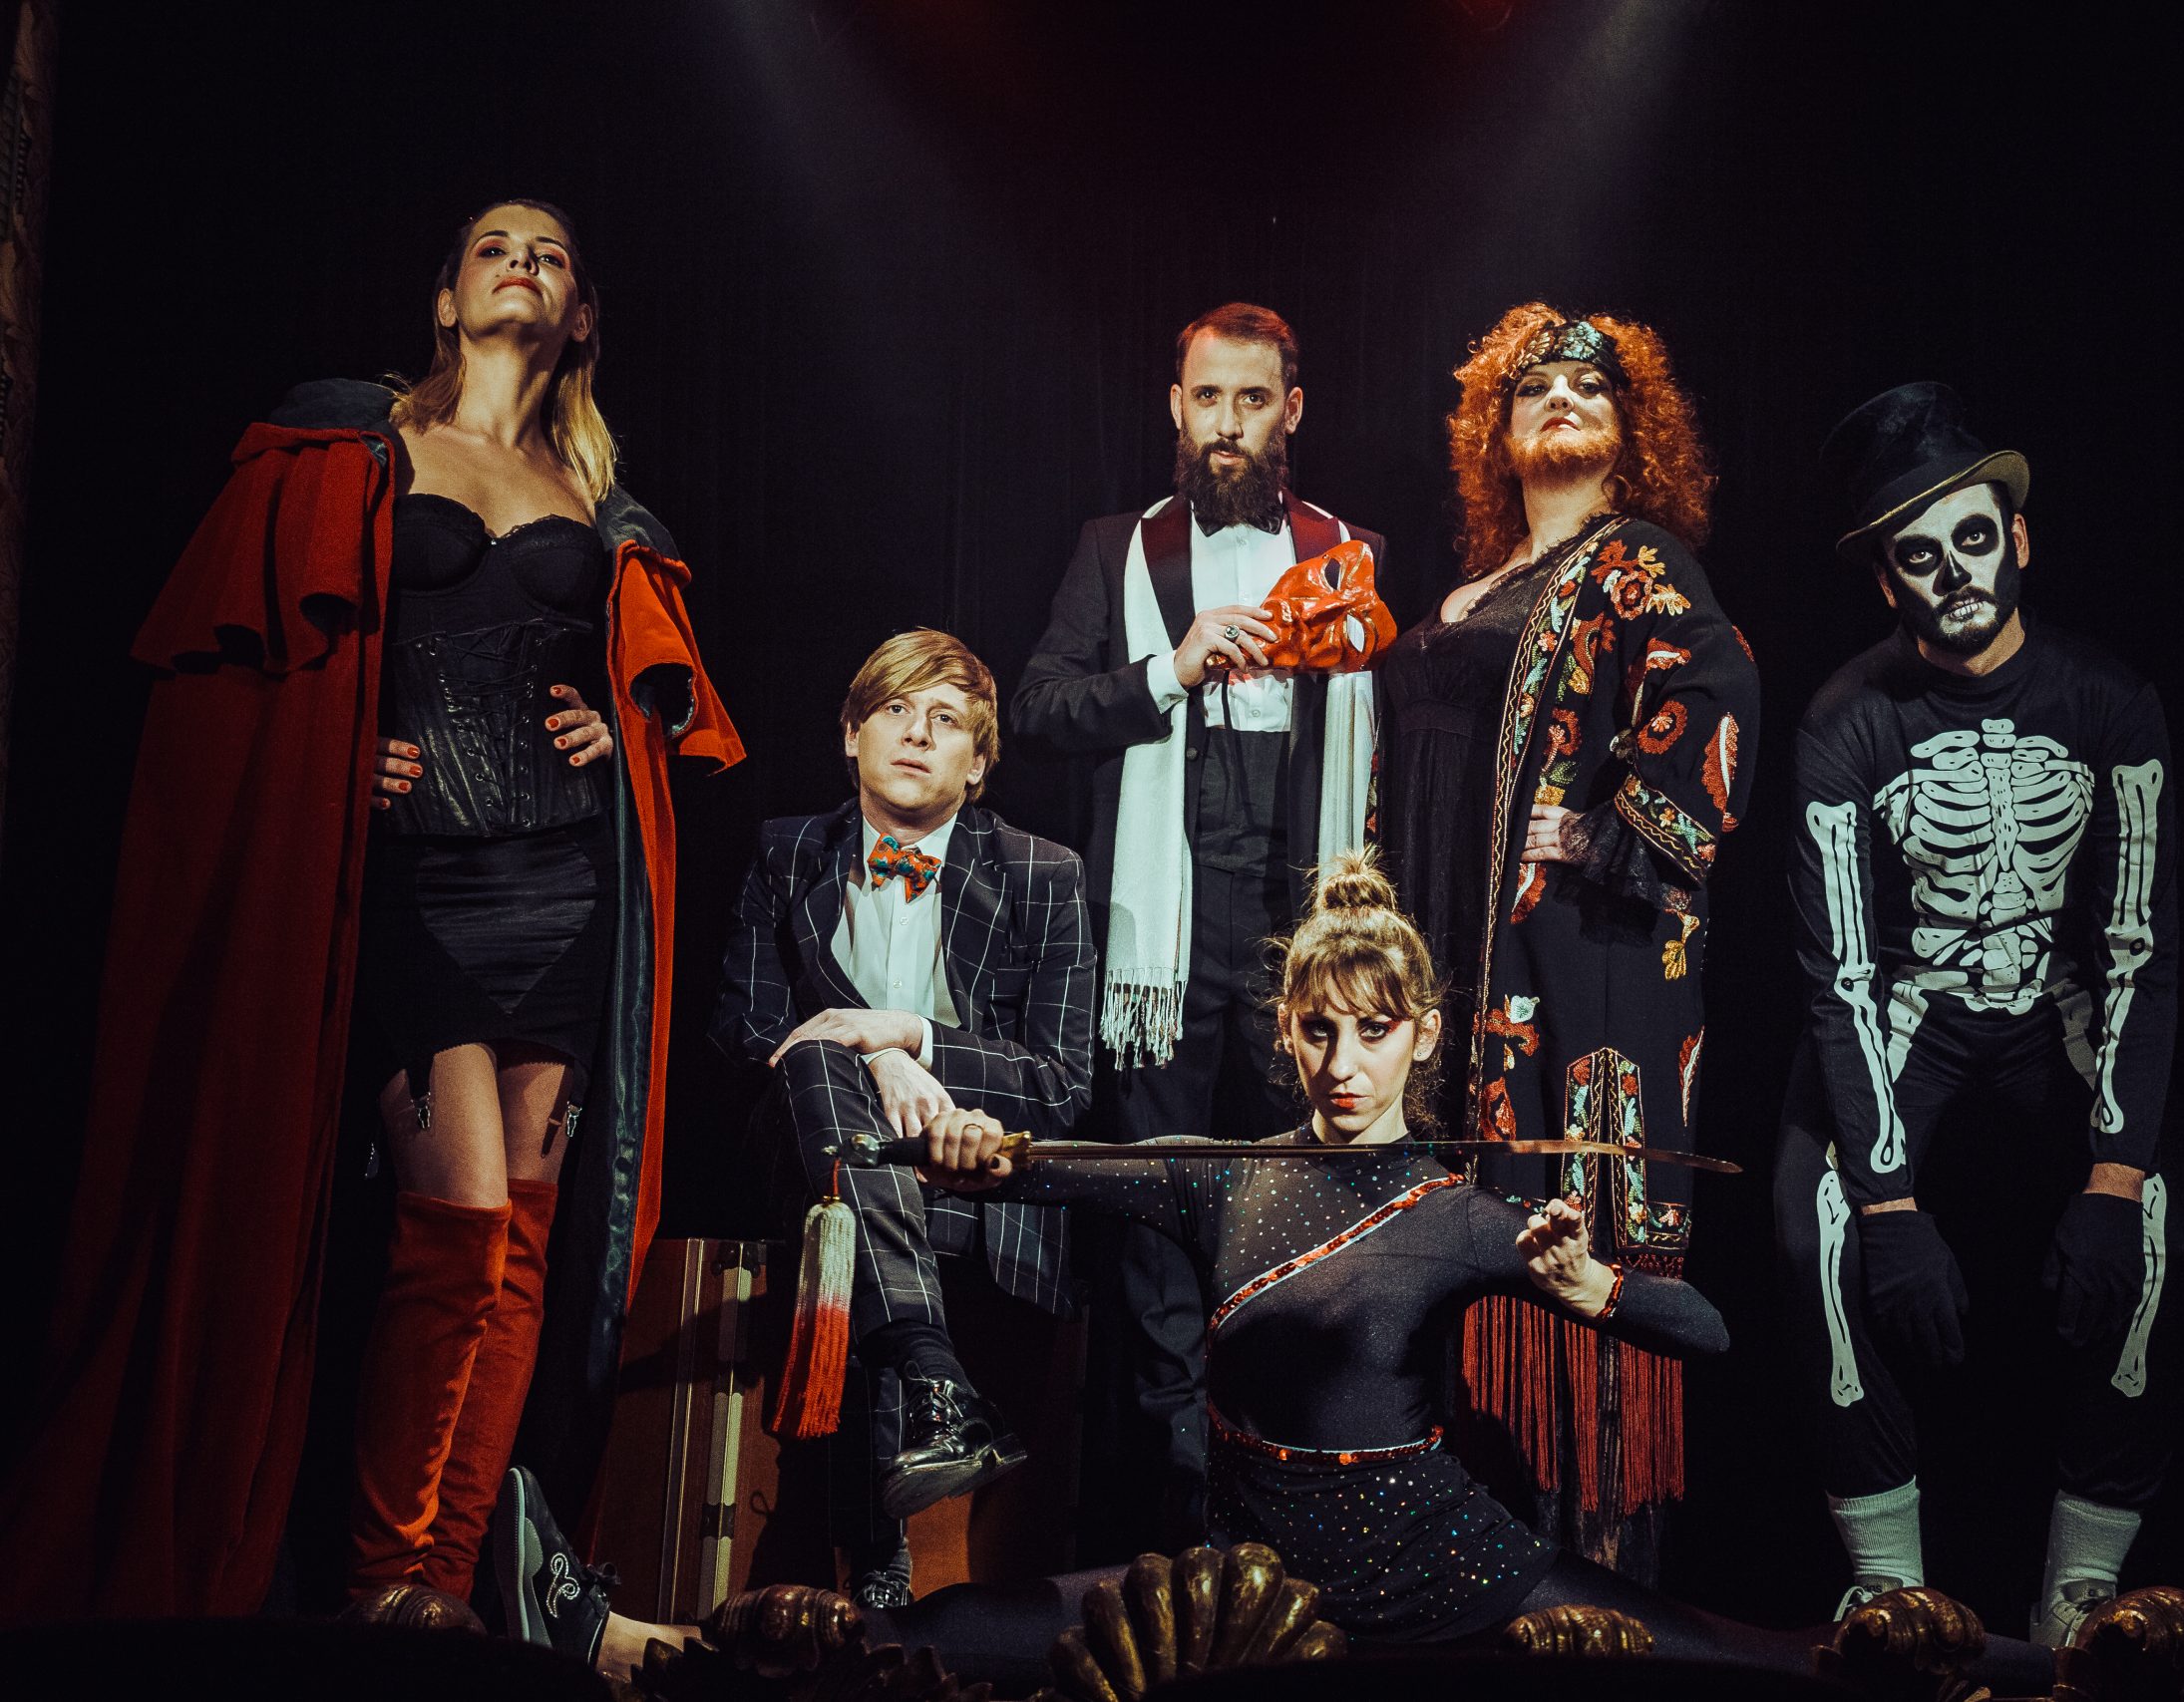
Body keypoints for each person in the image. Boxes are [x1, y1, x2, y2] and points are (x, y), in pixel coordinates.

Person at [0, 198, 743, 1625]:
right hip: (420, 879)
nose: (523, 263)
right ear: (446, 298)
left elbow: (649, 693)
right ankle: (381, 1570)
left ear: (582, 315)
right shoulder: (363, 446)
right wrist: (339, 740)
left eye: (552, 255)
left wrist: (616, 731)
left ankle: (439, 1581)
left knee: (520, 1241)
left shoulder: (600, 502)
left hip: (561, 884)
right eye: (494, 248)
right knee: (457, 1219)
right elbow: (275, 658)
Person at [898, 854, 1803, 1670]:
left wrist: (1586, 1283)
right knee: (941, 1630)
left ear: (1425, 1033)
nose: (1344, 1063)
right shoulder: (1218, 1178)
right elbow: (1039, 1169)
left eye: (1375, 1029)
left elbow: (1709, 1331)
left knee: (1754, 1665)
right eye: (1319, 1029)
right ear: (1284, 1029)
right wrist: (973, 1149)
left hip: (1443, 1571)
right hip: (1251, 1587)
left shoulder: (1460, 1215)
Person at [1770, 383, 2184, 1646]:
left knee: (2175, 1241)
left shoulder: (2110, 699)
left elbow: (2138, 946)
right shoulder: (1844, 719)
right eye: (1918, 556)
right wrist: (1887, 1204)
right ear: (1886, 582)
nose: (1954, 572)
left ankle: (2082, 1585)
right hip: (1912, 999)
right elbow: (1840, 969)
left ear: (2016, 539)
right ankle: (1887, 1585)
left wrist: (2114, 1178)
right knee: (1811, 1232)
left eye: (1972, 538)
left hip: (2058, 1001)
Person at [1383, 304, 1757, 1569]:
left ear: (1631, 430)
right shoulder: (1472, 589)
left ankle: (1591, 1590)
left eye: (1589, 388)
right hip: (1447, 952)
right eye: (1533, 385)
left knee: (1562, 1248)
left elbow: (1718, 687)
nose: (1559, 398)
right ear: (1492, 430)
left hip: (1574, 962)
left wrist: (1603, 830)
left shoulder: (1635, 560)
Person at [1012, 302, 1386, 1542]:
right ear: (1175, 407)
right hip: (1160, 925)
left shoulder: (1350, 552)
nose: (1228, 424)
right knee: (1161, 1213)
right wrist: (1169, 668)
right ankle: (1177, 1515)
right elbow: (1038, 711)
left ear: (1292, 411)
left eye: (1252, 399)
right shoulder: (1116, 546)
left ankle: (1287, 1497)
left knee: (1297, 1203)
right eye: (1208, 398)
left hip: (1299, 913)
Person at [708, 628, 1095, 1600]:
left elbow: (1061, 1084)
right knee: (817, 1071)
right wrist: (872, 1059)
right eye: (894, 709)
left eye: (946, 719)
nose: (917, 734)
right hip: (818, 1160)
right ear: (851, 734)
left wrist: (908, 1033)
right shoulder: (786, 851)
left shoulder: (1042, 873)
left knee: (858, 1207)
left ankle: (873, 1560)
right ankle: (931, 1380)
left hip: (972, 1176)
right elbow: (749, 1038)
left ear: (979, 763)